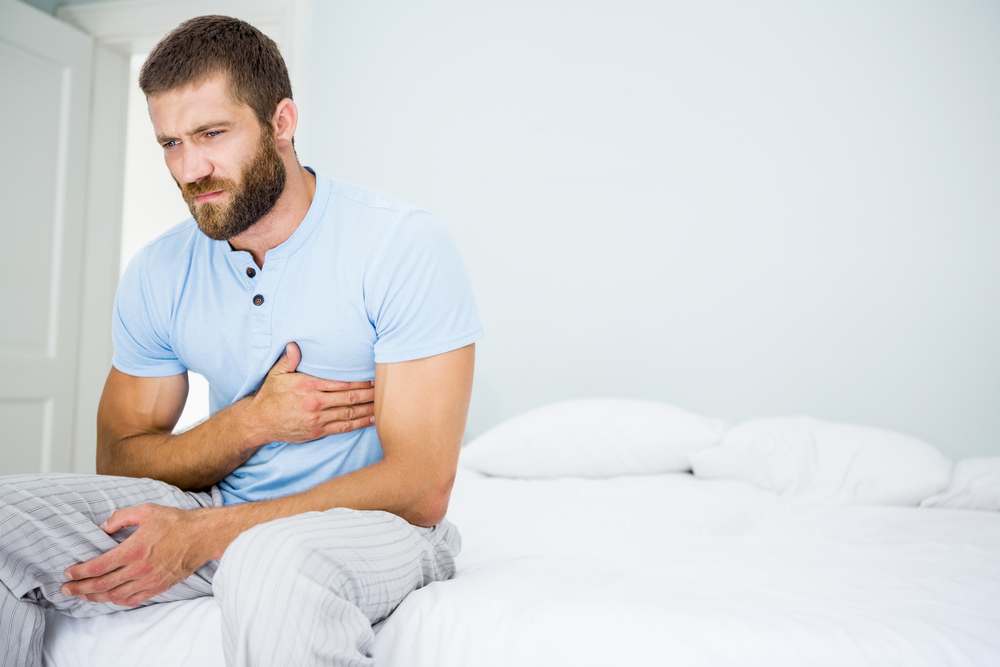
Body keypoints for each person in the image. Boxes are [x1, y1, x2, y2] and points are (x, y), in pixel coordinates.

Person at [0, 14, 482, 667]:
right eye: (170, 142)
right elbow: (118, 459)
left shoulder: (400, 245)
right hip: (220, 506)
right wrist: (247, 424)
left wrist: (205, 533)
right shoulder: (159, 270)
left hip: (380, 530)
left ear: (281, 122)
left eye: (211, 133)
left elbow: (422, 484)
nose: (190, 167)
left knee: (268, 558)